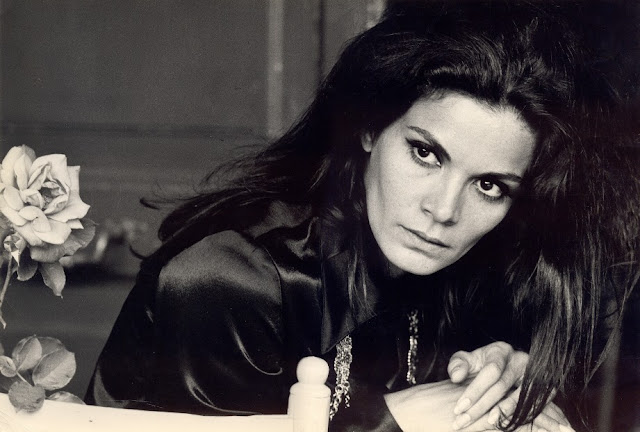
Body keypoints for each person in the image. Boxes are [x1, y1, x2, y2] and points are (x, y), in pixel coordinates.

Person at [85, 1, 640, 431]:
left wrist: (501, 379)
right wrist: (401, 418)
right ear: (370, 128)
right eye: (425, 153)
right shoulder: (231, 279)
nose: (443, 211)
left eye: (489, 185)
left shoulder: (466, 271)